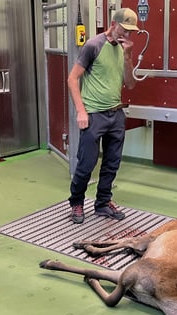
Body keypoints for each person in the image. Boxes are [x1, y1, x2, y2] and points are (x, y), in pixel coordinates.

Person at [67, 8, 139, 224]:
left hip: (116, 113)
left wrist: (128, 57)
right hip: (94, 115)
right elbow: (72, 79)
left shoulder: (124, 50)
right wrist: (81, 110)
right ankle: (77, 202)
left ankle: (103, 203)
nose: (127, 35)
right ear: (113, 24)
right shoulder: (93, 45)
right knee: (87, 164)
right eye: (124, 29)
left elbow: (130, 83)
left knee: (112, 163)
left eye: (131, 31)